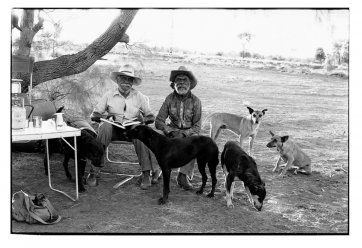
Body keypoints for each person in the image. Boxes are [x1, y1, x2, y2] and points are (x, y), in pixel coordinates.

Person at [90, 64, 161, 189]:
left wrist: (143, 120)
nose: (126, 82)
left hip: (131, 129)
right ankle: (94, 171)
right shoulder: (109, 95)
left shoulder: (139, 96)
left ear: (133, 83)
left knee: (140, 131)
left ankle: (146, 174)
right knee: (104, 126)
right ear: (117, 80)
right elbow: (94, 114)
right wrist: (106, 117)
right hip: (113, 129)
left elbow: (151, 116)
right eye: (123, 79)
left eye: (129, 80)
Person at [155, 66, 202, 190]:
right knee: (155, 134)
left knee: (196, 140)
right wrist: (169, 131)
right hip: (171, 131)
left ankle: (182, 176)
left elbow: (197, 126)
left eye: (185, 80)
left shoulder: (196, 101)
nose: (181, 83)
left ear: (190, 84)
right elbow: (159, 121)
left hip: (188, 133)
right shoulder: (169, 99)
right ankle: (155, 170)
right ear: (173, 84)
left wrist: (185, 134)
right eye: (178, 80)